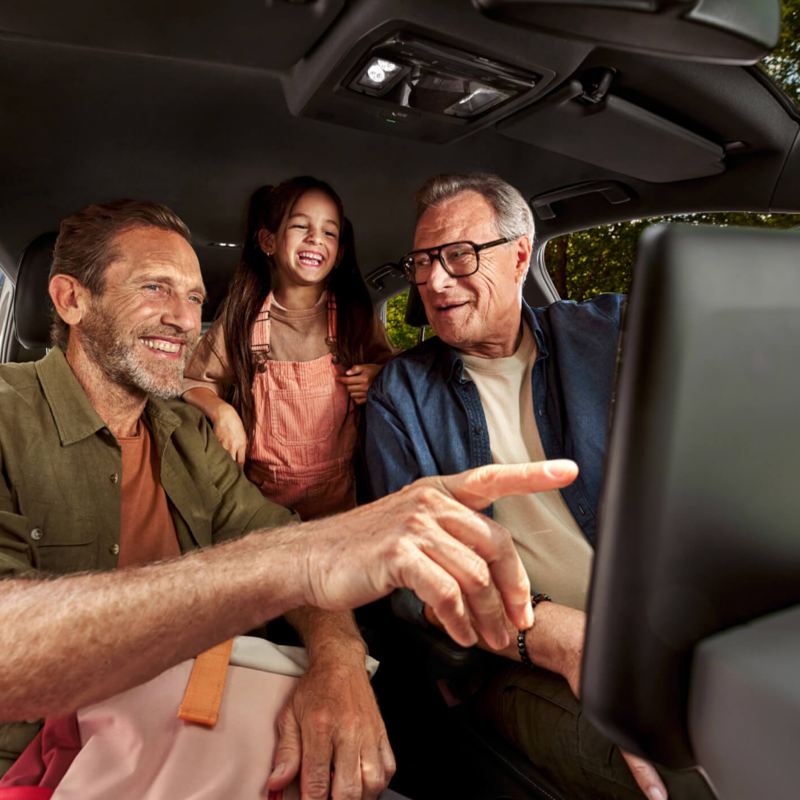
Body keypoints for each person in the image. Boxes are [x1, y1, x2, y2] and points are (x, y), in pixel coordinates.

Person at [0, 197, 583, 800]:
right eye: (156, 287)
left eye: (196, 298)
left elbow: (281, 539)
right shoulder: (5, 417)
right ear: (72, 299)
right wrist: (298, 559)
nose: (183, 319)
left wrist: (338, 664)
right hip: (54, 769)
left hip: (200, 733)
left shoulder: (186, 437)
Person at [363, 173, 714, 800]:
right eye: (422, 262)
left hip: (669, 622)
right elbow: (407, 577)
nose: (434, 281)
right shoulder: (402, 395)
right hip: (516, 655)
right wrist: (551, 633)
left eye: (458, 256)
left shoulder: (606, 332)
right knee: (691, 774)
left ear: (521, 253)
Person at [183, 177, 394, 520]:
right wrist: (222, 412)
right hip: (260, 509)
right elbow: (192, 383)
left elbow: (399, 377)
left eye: (329, 231)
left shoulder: (355, 320)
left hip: (340, 510)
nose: (315, 238)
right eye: (300, 226)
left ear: (338, 253)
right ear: (268, 241)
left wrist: (379, 377)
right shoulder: (242, 319)